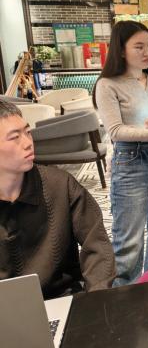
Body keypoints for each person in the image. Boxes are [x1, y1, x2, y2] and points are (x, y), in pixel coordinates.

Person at [0, 100, 115, 298]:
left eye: (28, 132)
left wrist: (95, 298)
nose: (28, 143)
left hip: (61, 298)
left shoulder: (60, 185)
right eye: (15, 137)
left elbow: (97, 247)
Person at [94, 20, 148, 286]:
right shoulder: (108, 84)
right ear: (120, 50)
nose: (146, 52)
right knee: (129, 241)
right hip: (130, 161)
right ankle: (126, 299)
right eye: (139, 47)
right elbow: (116, 131)